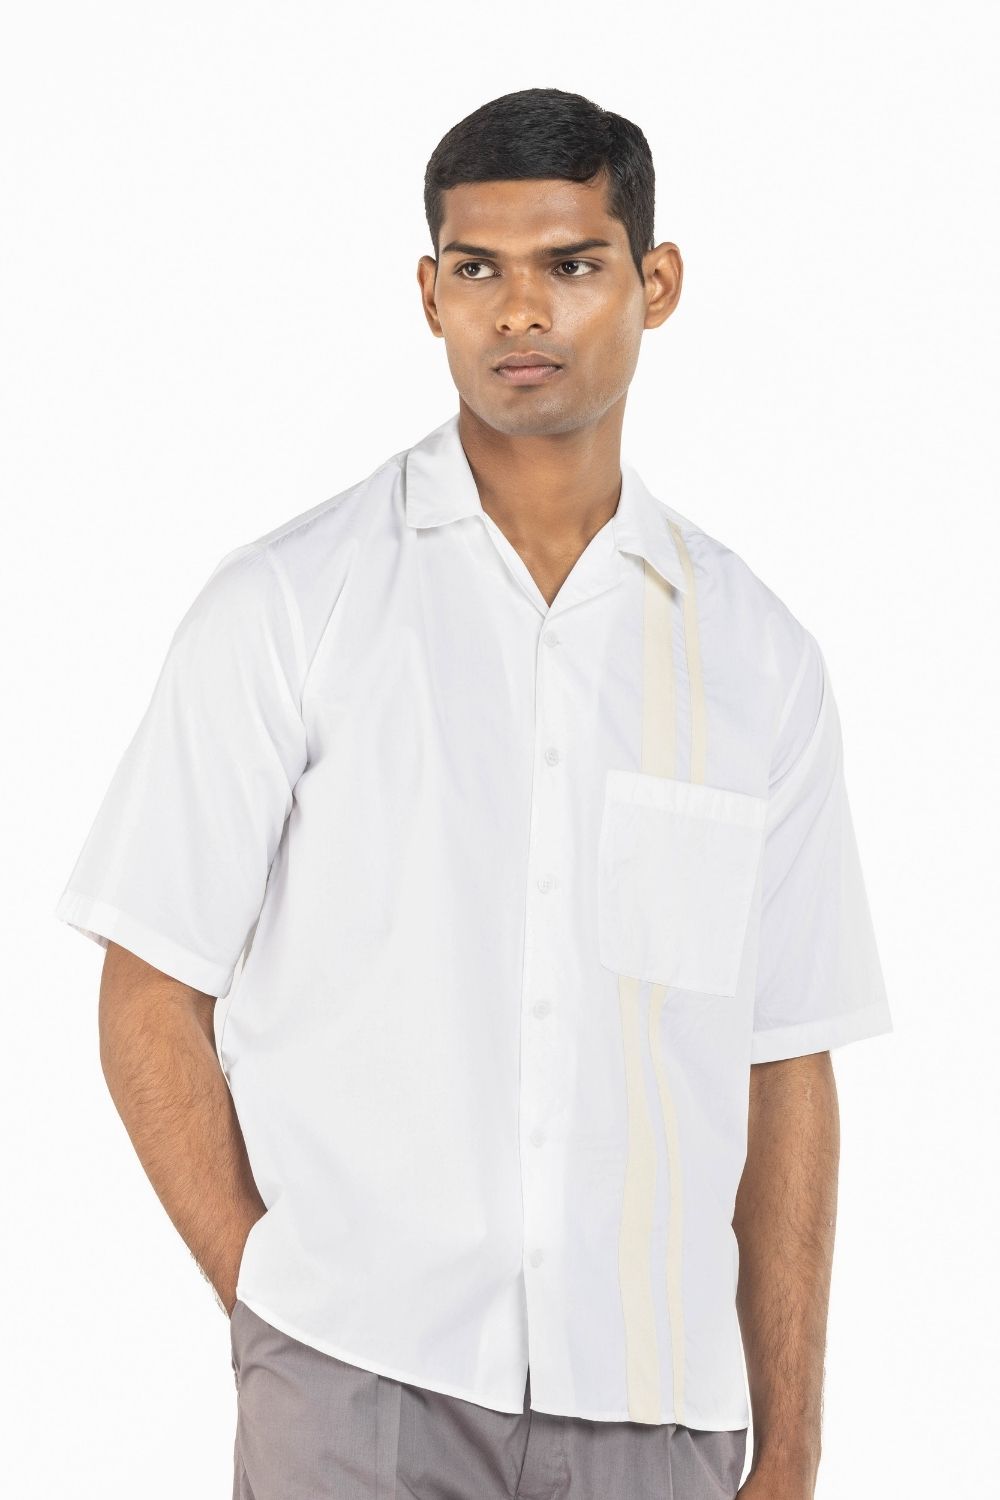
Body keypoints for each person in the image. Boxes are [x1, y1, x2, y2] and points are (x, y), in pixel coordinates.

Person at [54, 86, 893, 1500]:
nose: (520, 311)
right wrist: (273, 1304)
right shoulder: (291, 606)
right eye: (478, 268)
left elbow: (786, 1062)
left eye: (571, 263)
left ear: (656, 283)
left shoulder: (757, 657)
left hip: (657, 1415)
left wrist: (793, 1446)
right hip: (354, 1382)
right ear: (429, 293)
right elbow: (149, 986)